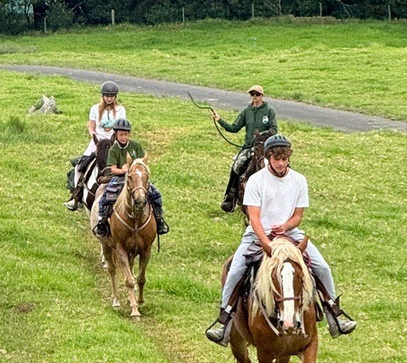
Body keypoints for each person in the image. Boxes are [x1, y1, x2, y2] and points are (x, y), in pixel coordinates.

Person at [205, 134, 357, 346]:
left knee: (322, 266)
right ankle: (224, 321)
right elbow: (254, 217)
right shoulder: (256, 181)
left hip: (290, 234)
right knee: (236, 270)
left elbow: (298, 216)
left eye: (284, 159)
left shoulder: (299, 180)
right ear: (268, 158)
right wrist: (265, 242)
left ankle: (334, 314)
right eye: (276, 159)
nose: (280, 163)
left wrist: (285, 226)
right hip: (258, 234)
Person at [92, 118, 169, 237]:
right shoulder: (113, 149)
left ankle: (159, 220)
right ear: (116, 135)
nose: (123, 137)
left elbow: (143, 163)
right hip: (120, 177)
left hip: (136, 177)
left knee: (156, 193)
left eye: (126, 134)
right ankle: (102, 222)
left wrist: (136, 169)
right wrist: (122, 170)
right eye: (121, 134)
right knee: (107, 196)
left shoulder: (136, 146)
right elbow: (112, 169)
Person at [213, 85, 277, 212]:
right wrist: (220, 120)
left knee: (279, 165)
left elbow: (274, 129)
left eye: (257, 94)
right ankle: (230, 197)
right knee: (237, 165)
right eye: (252, 94)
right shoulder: (246, 112)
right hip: (248, 147)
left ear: (262, 96)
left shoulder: (269, 111)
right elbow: (234, 128)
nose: (255, 97)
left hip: (264, 147)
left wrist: (262, 135)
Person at [65, 81, 126, 210]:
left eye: (112, 96)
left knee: (127, 167)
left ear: (115, 97)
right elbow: (91, 126)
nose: (109, 98)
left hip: (113, 144)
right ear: (103, 96)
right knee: (79, 166)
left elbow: (121, 129)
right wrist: (94, 135)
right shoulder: (94, 109)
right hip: (97, 143)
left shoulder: (121, 110)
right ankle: (77, 196)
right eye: (107, 96)